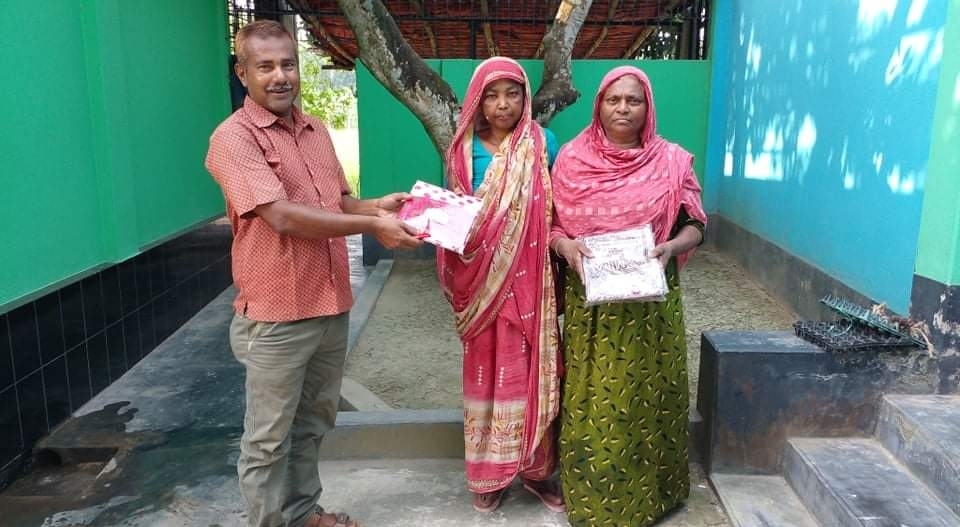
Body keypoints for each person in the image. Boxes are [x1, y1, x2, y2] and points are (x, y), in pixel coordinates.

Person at [204, 20, 422, 527]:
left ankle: (303, 513)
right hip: (278, 314)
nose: (280, 76)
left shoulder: (316, 130)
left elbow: (335, 201)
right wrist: (372, 225)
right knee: (267, 439)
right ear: (243, 73)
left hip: (330, 303)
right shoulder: (233, 139)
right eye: (265, 66)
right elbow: (282, 216)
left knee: (314, 422)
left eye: (288, 64)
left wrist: (375, 205)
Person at [549, 66, 707, 527]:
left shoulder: (670, 161)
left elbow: (696, 224)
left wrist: (672, 247)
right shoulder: (572, 160)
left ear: (647, 106)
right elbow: (552, 226)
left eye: (633, 100)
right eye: (613, 99)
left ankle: (655, 496)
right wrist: (566, 247)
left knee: (649, 395)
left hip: (651, 305)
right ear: (598, 104)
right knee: (597, 399)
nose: (623, 108)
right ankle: (595, 502)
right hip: (593, 307)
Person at [438, 57, 565, 514]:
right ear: (477, 101)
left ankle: (537, 472)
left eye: (512, 93)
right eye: (491, 95)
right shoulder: (460, 151)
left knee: (532, 370)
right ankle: (488, 474)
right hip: (481, 282)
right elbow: (453, 216)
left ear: (525, 97)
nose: (502, 104)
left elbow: (556, 205)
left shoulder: (542, 142)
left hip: (531, 281)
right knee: (486, 375)